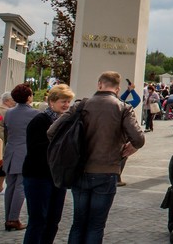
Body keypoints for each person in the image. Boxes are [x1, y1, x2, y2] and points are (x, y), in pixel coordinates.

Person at [48, 71, 145, 243]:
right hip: (107, 171)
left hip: (79, 169)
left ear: (99, 84)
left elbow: (52, 131)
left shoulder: (81, 105)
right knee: (96, 224)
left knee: (78, 223)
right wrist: (131, 148)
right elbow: (138, 138)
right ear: (117, 89)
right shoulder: (122, 107)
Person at [22, 84, 74, 244]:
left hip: (57, 177)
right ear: (52, 102)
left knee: (53, 220)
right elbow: (36, 150)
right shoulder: (40, 120)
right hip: (38, 176)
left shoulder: (65, 121)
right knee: (38, 220)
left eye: (68, 102)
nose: (66, 105)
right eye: (63, 101)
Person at [3, 83, 39, 231]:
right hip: (25, 151)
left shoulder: (9, 112)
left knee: (10, 186)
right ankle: (13, 218)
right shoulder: (35, 113)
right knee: (20, 186)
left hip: (10, 150)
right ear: (29, 97)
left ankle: (9, 217)